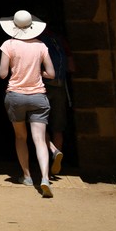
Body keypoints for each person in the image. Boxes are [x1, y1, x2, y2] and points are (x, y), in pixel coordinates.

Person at [0, 8, 55, 197]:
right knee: (39, 139)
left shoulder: (8, 45)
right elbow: (51, 74)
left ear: (14, 27)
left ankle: (27, 175)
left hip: (16, 95)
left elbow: (3, 73)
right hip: (38, 96)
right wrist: (40, 74)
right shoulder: (41, 46)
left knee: (21, 137)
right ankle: (45, 178)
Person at [41, 25, 73, 176]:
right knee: (58, 128)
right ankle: (56, 161)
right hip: (60, 87)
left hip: (42, 88)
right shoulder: (60, 40)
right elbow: (72, 67)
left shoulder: (37, 41)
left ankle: (48, 159)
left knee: (39, 127)